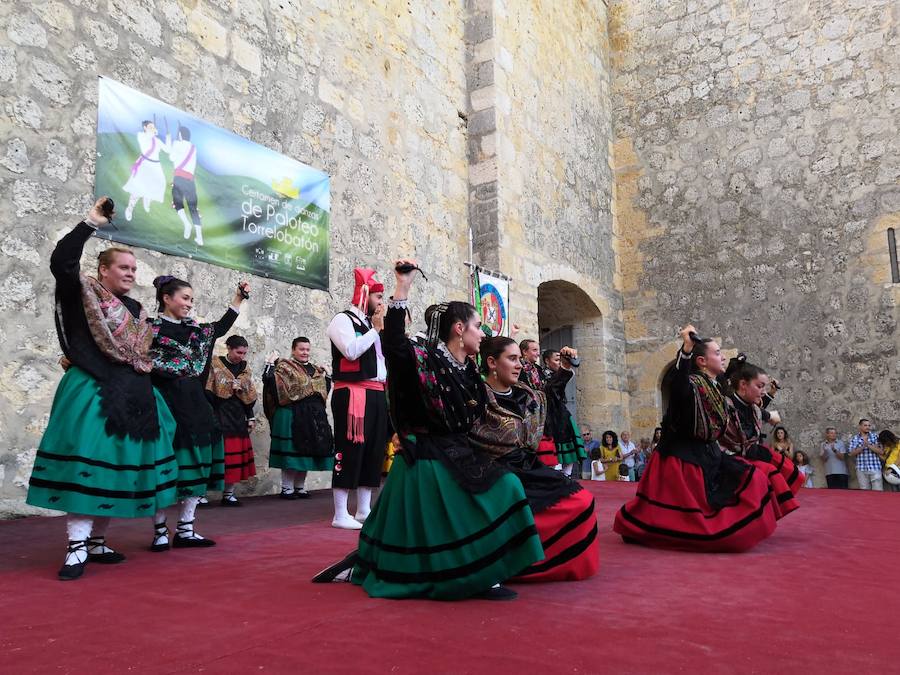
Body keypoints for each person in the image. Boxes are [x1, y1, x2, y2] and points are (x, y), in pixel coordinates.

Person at [313, 260, 544, 600]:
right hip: (429, 456)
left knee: (508, 483)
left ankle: (483, 568)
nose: (482, 333)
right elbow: (394, 347)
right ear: (458, 329)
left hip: (461, 453)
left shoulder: (468, 371)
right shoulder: (425, 361)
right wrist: (402, 286)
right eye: (477, 326)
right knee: (503, 488)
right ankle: (472, 573)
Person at [26, 197, 179, 580]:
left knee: (119, 469)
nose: (130, 273)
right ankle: (76, 547)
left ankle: (96, 542)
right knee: (89, 465)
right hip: (94, 389)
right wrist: (90, 223)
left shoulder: (137, 310)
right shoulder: (86, 295)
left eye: (133, 268)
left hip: (135, 393)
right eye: (123, 268)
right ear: (103, 270)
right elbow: (62, 263)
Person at [613, 325, 791, 552]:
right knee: (680, 519)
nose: (722, 356)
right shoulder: (692, 384)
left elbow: (738, 400)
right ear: (701, 361)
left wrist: (764, 399)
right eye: (717, 353)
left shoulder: (715, 386)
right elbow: (678, 388)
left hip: (707, 454)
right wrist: (685, 350)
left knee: (754, 479)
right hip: (683, 459)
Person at [470, 336, 599, 582]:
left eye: (519, 359)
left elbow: (549, 395)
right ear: (491, 363)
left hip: (528, 467)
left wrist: (564, 369)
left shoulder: (525, 393)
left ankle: (544, 561)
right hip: (494, 473)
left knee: (581, 500)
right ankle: (512, 563)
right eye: (512, 359)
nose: (519, 365)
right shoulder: (475, 396)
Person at [149, 275, 249, 549]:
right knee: (164, 465)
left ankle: (185, 528)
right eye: (185, 298)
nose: (189, 304)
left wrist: (237, 299)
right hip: (162, 402)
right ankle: (159, 530)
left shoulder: (198, 332)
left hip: (193, 403)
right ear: (166, 298)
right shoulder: (149, 329)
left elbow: (220, 327)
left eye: (192, 299)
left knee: (195, 461)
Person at [326, 268, 390, 529]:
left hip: (375, 393)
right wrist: (375, 331)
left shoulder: (369, 326)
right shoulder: (341, 320)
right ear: (365, 297)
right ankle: (340, 513)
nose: (381, 302)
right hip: (352, 392)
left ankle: (364, 509)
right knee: (349, 447)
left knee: (373, 450)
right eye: (377, 297)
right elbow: (351, 351)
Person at [719, 359, 802, 516]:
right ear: (743, 385)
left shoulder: (754, 407)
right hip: (727, 458)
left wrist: (771, 414)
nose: (763, 391)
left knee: (787, 469)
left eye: (764, 386)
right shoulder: (725, 405)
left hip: (747, 453)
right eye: (760, 386)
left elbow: (765, 410)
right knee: (767, 473)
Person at [262, 337, 333, 499]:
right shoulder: (285, 367)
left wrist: (328, 377)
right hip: (293, 413)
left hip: (312, 415)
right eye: (301, 349)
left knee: (307, 451)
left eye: (307, 349)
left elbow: (322, 393)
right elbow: (271, 383)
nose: (305, 352)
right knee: (292, 452)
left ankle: (299, 487)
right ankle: (287, 488)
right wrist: (269, 365)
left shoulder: (315, 370)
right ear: (294, 350)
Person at [205, 335, 257, 506]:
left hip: (237, 415)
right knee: (214, 455)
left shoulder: (245, 368)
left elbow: (249, 395)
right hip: (218, 413)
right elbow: (208, 390)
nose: (241, 356)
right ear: (228, 348)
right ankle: (201, 494)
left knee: (234, 457)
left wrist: (250, 416)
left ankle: (228, 494)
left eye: (244, 353)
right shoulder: (215, 364)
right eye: (238, 352)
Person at [541, 348, 585, 476]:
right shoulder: (540, 375)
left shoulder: (561, 374)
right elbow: (550, 388)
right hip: (548, 417)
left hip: (561, 415)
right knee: (554, 450)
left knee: (568, 450)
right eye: (556, 360)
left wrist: (566, 366)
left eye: (561, 360)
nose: (559, 363)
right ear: (546, 361)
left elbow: (562, 379)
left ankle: (567, 475)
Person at [123, 119, 171, 221]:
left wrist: (168, 138)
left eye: (153, 127)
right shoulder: (141, 135)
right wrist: (153, 133)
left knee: (159, 184)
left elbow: (167, 150)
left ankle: (147, 199)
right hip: (145, 164)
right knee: (138, 189)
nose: (153, 129)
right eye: (150, 127)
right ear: (145, 128)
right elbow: (147, 138)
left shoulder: (156, 140)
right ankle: (130, 208)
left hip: (156, 166)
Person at [169, 125, 204, 245]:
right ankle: (200, 238)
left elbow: (171, 157)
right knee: (193, 208)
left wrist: (171, 142)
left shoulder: (177, 144)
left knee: (177, 203)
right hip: (190, 180)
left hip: (179, 178)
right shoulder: (193, 148)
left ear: (180, 135)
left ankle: (186, 224)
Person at [849, 419, 882, 491]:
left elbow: (881, 451)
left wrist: (869, 445)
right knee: (864, 493)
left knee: (878, 492)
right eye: (865, 425)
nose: (868, 427)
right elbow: (851, 453)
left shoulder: (875, 437)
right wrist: (863, 446)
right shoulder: (855, 438)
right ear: (860, 426)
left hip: (875, 468)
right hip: (861, 468)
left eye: (869, 425)